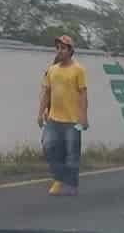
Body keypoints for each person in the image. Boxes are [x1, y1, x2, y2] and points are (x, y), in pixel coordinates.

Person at [38, 34, 88, 196]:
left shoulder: (78, 70)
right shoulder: (52, 70)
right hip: (54, 119)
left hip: (73, 120)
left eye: (63, 48)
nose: (60, 51)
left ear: (70, 51)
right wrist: (41, 112)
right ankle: (59, 177)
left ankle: (71, 185)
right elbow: (46, 93)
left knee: (72, 153)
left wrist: (84, 117)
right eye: (58, 48)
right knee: (48, 146)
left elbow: (83, 95)